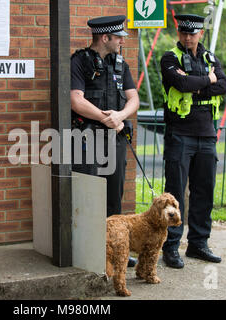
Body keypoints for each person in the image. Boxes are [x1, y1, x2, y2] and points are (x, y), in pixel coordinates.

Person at [160, 14, 226, 268]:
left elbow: (222, 85)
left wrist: (197, 85)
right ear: (179, 33)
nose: (187, 38)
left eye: (192, 33)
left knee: (204, 191)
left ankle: (199, 244)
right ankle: (171, 247)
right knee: (175, 194)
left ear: (200, 33)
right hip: (180, 134)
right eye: (183, 33)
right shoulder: (169, 58)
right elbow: (179, 82)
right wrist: (206, 80)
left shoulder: (211, 58)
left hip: (207, 135)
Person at [70, 15, 139, 266]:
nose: (122, 40)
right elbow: (75, 100)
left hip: (115, 140)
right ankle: (87, 252)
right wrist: (104, 118)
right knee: (87, 195)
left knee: (113, 195)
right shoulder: (79, 62)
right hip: (87, 140)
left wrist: (120, 116)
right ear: (105, 37)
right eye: (119, 36)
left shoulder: (121, 64)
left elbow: (134, 99)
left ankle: (114, 252)